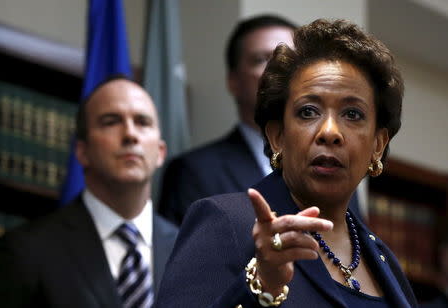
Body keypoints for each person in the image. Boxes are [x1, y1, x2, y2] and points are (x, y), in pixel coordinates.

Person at [155, 19, 418, 307]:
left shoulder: (383, 259)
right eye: (308, 111)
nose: (330, 132)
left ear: (377, 145)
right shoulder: (226, 222)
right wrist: (262, 287)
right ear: (278, 136)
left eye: (353, 114)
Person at [0, 77, 178, 307]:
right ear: (82, 151)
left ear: (161, 152)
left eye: (142, 122)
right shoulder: (24, 252)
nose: (130, 134)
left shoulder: (197, 253)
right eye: (111, 121)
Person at [157, 15, 297, 225]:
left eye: (290, 59)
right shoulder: (194, 172)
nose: (279, 70)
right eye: (262, 59)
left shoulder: (332, 164)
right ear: (233, 82)